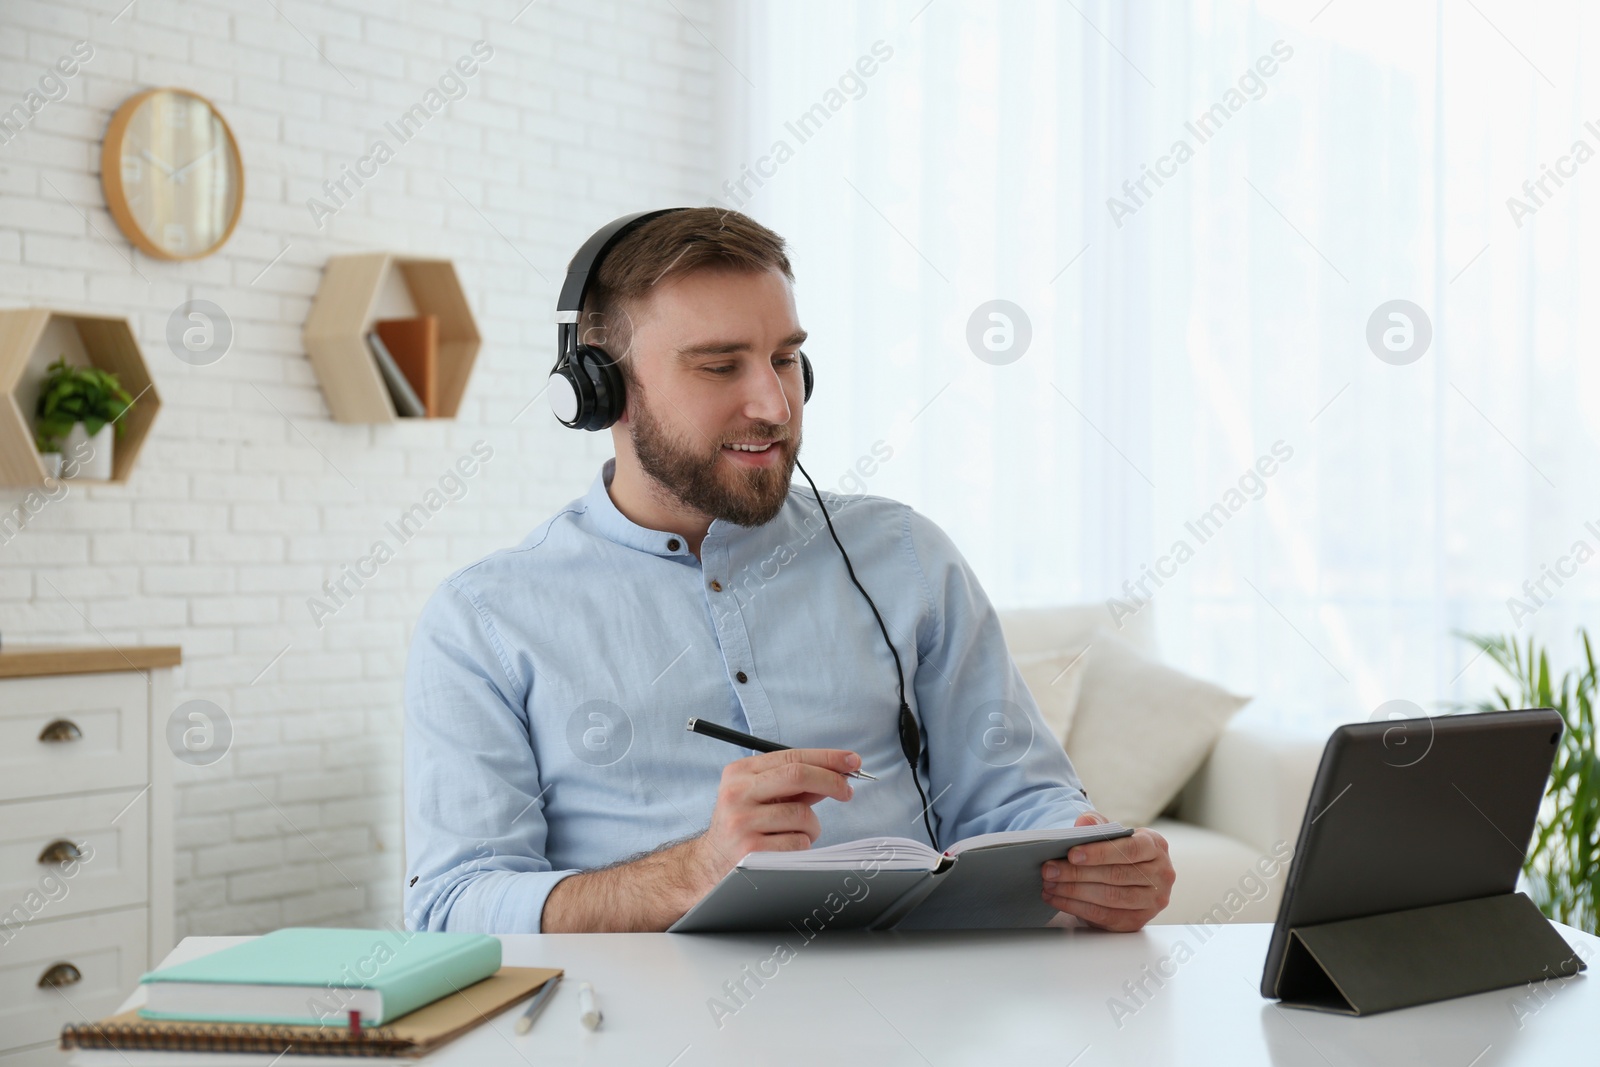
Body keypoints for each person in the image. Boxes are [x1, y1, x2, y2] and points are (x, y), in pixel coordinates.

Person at [403, 207, 1174, 933]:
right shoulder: (485, 618)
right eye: (719, 366)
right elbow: (452, 902)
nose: (775, 403)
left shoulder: (905, 556)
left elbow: (1015, 796)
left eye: (786, 358)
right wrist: (692, 870)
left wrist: (1094, 861)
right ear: (600, 391)